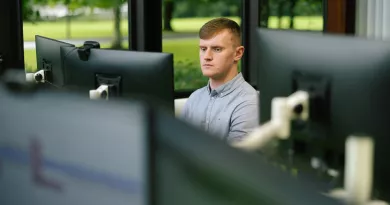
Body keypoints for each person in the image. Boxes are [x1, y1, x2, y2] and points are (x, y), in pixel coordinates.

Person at [181, 17, 259, 143]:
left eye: (217, 49)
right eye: (203, 49)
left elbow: (234, 158)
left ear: (238, 53)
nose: (206, 57)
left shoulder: (249, 102)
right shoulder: (194, 98)